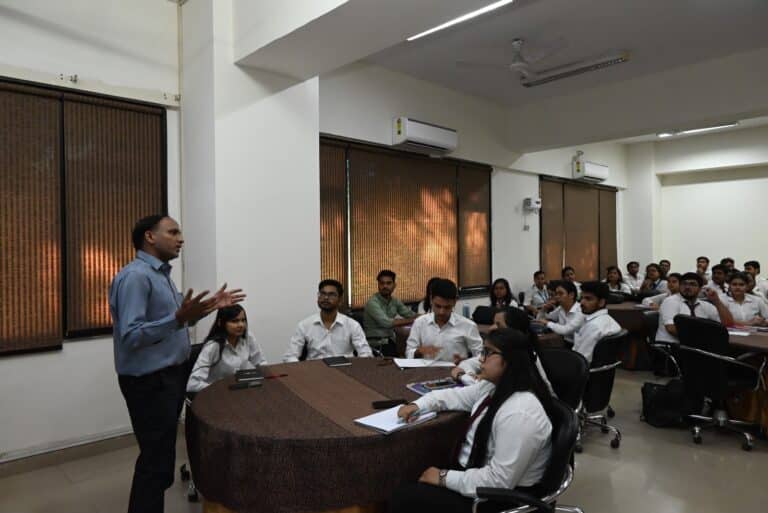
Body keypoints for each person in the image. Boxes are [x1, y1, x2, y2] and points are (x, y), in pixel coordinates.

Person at [109, 215, 244, 513]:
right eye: (173, 232)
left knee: (160, 459)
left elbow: (177, 323)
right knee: (154, 463)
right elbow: (131, 336)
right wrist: (178, 318)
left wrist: (209, 307)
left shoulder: (160, 276)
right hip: (150, 382)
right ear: (150, 237)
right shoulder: (136, 277)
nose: (180, 239)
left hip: (168, 377)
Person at [390, 329, 553, 513]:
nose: (481, 359)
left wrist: (443, 477)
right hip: (476, 474)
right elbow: (453, 396)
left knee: (403, 498)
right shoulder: (493, 387)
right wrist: (417, 405)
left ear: (511, 359)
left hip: (496, 498)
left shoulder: (520, 414)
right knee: (411, 472)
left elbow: (499, 481)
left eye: (488, 353)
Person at [452, 308, 555, 396]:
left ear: (515, 332)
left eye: (498, 325)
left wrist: (463, 376)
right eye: (493, 323)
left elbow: (488, 390)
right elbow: (467, 364)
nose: (491, 328)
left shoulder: (525, 360)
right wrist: (473, 375)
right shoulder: (500, 353)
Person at [284, 279, 372, 362]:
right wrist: (302, 369)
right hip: (315, 369)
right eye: (322, 294)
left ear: (340, 300)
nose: (326, 297)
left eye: (331, 294)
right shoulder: (304, 325)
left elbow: (366, 354)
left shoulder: (352, 325)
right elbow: (290, 356)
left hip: (344, 368)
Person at [187, 305, 266, 393]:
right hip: (217, 393)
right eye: (234, 321)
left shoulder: (248, 337)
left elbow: (260, 363)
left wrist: (267, 378)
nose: (241, 325)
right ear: (220, 322)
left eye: (243, 320)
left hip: (239, 390)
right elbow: (193, 384)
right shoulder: (213, 346)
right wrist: (222, 389)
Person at [406, 279, 482, 362]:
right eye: (438, 306)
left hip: (456, 369)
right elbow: (409, 352)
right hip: (426, 369)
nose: (441, 312)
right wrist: (419, 351)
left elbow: (481, 356)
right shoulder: (420, 323)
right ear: (431, 300)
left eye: (447, 307)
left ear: (454, 302)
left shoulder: (468, 326)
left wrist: (466, 362)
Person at [655, 272, 734, 345]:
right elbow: (671, 328)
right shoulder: (670, 301)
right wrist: (706, 338)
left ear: (700, 288)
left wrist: (717, 301)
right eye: (684, 284)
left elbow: (728, 324)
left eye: (692, 284)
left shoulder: (704, 305)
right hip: (670, 347)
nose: (687, 287)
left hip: (695, 347)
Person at [363, 270, 418, 356]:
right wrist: (414, 320)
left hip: (390, 341)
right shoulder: (372, 303)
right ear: (378, 285)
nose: (385, 286)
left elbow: (410, 314)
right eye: (382, 283)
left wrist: (428, 317)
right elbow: (387, 323)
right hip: (376, 344)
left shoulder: (395, 301)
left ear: (394, 285)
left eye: (388, 283)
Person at [572, 281, 622, 363]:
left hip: (583, 368)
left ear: (601, 302)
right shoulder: (609, 319)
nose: (582, 302)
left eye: (588, 299)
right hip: (603, 368)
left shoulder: (593, 326)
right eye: (581, 298)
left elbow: (581, 360)